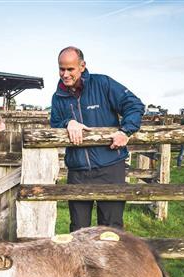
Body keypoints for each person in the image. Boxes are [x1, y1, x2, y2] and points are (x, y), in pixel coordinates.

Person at [50, 46, 144, 232]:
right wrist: (68, 122)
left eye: (70, 69)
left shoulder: (103, 84)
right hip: (77, 170)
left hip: (110, 165)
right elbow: (54, 123)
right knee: (78, 229)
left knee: (111, 229)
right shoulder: (58, 97)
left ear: (82, 66)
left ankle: (112, 262)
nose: (65, 74)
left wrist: (125, 131)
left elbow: (134, 105)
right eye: (62, 69)